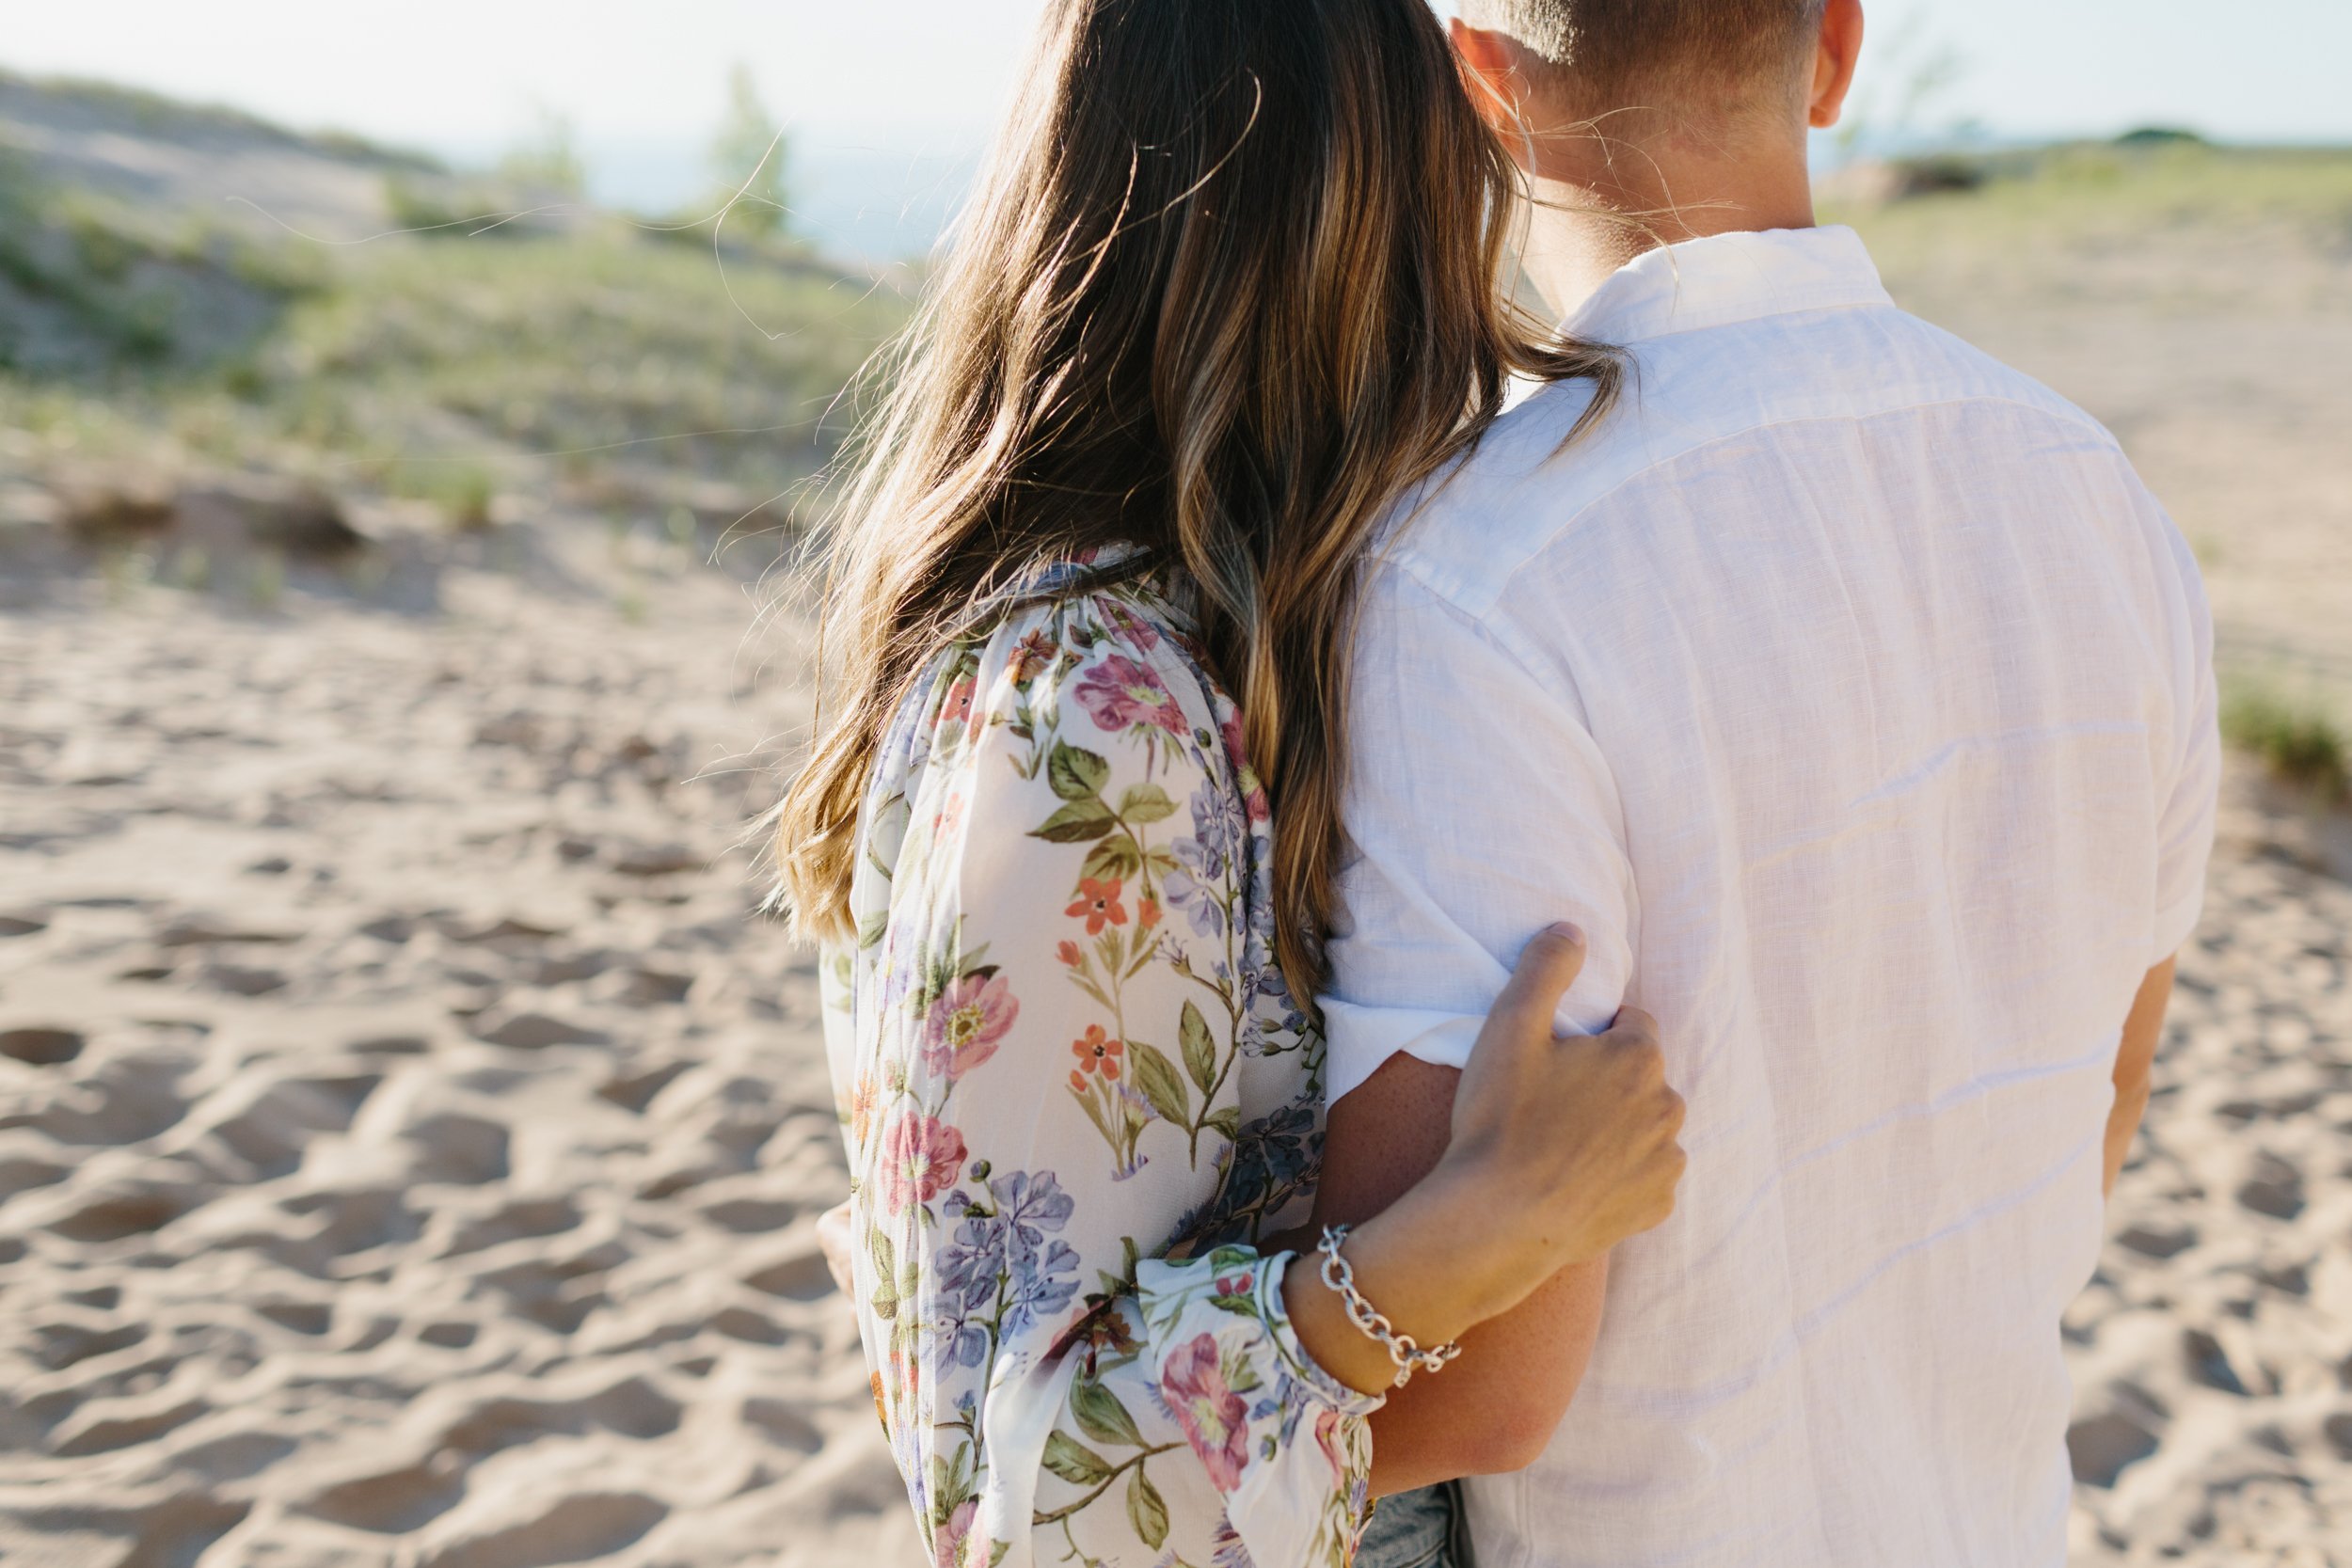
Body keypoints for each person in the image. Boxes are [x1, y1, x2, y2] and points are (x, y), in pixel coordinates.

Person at [776, 5, 1688, 1567]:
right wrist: (1467, 1244)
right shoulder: (1098, 709)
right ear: (1367, 233)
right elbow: (1035, 1500)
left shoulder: (1187, 647)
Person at [1312, 1, 2222, 1564]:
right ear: (1837, 48)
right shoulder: (2102, 496)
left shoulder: (1468, 579)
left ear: (1480, 84)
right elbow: (2100, 1109)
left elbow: (1476, 1385)